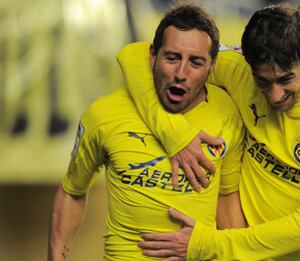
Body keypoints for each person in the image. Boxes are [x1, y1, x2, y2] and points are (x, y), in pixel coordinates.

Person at [117, 3, 300, 261]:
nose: (275, 95)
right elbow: (133, 56)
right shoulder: (236, 69)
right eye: (262, 81)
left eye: (286, 79)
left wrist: (209, 243)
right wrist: (173, 133)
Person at [47, 4, 246, 261]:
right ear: (152, 56)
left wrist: (215, 246)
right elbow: (72, 190)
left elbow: (227, 200)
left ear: (212, 66)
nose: (181, 73)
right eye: (172, 58)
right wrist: (56, 254)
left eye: (196, 62)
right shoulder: (104, 114)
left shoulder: (227, 114)